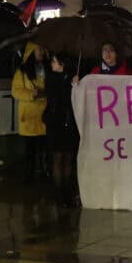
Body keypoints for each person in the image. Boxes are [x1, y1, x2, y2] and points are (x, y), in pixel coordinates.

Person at [43, 53, 80, 207]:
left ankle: (67, 192)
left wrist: (75, 85)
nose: (52, 64)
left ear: (62, 63)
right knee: (59, 158)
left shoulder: (72, 77)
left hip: (70, 124)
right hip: (57, 124)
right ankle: (60, 194)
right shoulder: (51, 79)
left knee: (69, 159)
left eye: (54, 61)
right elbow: (56, 98)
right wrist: (69, 85)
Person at [12, 42, 48, 182]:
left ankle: (45, 174)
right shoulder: (22, 71)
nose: (41, 51)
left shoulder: (49, 68)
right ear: (31, 51)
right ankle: (29, 176)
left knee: (44, 149)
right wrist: (31, 94)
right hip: (29, 117)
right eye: (38, 48)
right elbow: (16, 91)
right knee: (30, 150)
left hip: (45, 115)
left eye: (43, 48)